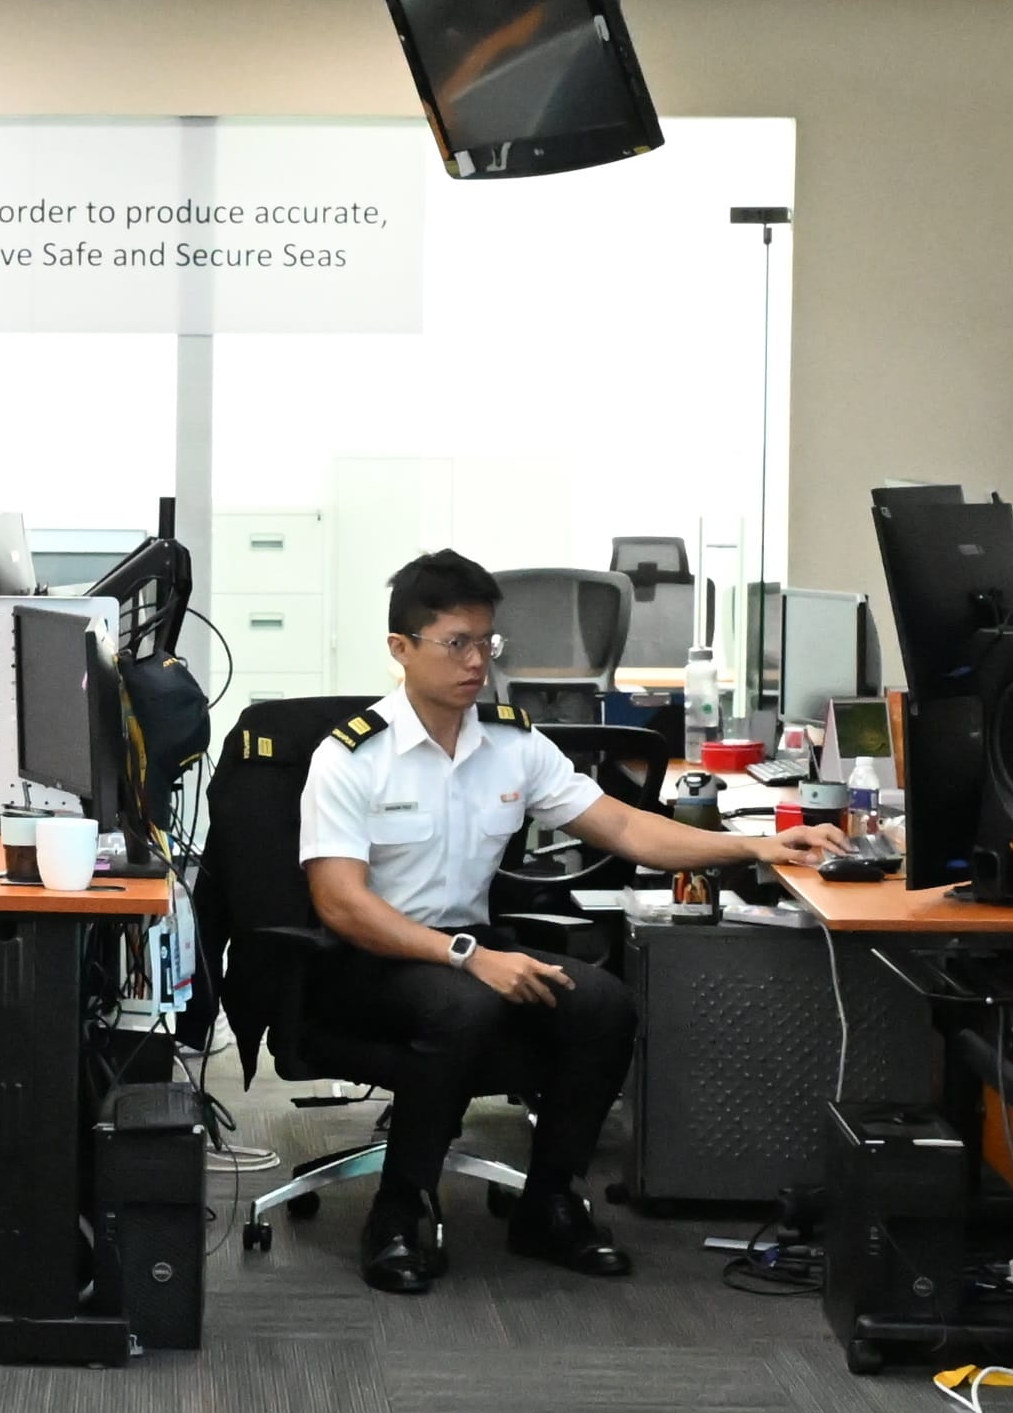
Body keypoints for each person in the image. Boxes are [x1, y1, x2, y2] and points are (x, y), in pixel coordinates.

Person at [294, 546, 824, 1293]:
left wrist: (758, 842)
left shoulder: (512, 745)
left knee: (603, 1004)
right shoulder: (351, 758)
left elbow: (628, 829)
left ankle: (549, 1202)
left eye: (487, 643)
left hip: (468, 953)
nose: (477, 661)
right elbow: (339, 902)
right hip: (366, 960)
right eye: (456, 643)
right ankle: (399, 1210)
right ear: (400, 649)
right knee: (462, 1001)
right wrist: (465, 957)